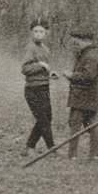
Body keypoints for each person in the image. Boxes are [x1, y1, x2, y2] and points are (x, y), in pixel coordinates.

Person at [63, 25, 98, 160]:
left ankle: (75, 155)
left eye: (77, 42)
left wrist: (71, 75)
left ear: (87, 41)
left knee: (77, 125)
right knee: (89, 126)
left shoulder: (90, 56)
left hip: (83, 98)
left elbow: (88, 76)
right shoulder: (85, 54)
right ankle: (93, 154)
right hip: (84, 97)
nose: (75, 45)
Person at [21, 18, 55, 156]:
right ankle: (51, 148)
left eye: (41, 31)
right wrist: (40, 65)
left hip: (44, 87)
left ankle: (30, 146)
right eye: (35, 31)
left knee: (48, 118)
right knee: (42, 119)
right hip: (32, 89)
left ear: (46, 33)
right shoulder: (30, 48)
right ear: (31, 32)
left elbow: (46, 68)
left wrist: (51, 72)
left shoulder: (45, 49)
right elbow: (25, 69)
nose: (38, 34)